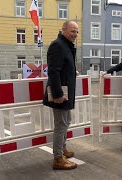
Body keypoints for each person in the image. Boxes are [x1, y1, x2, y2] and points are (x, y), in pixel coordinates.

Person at [43, 20, 79, 170]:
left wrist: (72, 72)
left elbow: (63, 66)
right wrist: (57, 94)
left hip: (65, 91)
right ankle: (58, 158)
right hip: (60, 93)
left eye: (77, 32)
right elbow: (53, 71)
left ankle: (62, 149)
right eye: (72, 31)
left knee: (66, 121)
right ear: (63, 30)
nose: (75, 34)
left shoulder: (66, 45)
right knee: (60, 125)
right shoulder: (58, 45)